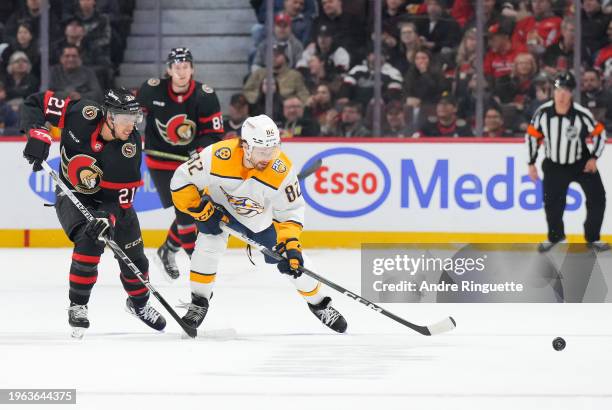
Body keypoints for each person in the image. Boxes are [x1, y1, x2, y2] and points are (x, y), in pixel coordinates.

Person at [169, 114, 348, 333]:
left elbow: (291, 210)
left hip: (257, 219)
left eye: (273, 150)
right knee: (208, 247)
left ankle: (320, 304)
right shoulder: (217, 155)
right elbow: (181, 179)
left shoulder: (281, 169)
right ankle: (199, 302)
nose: (269, 157)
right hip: (217, 209)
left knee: (293, 263)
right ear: (245, 145)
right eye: (262, 151)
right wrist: (198, 208)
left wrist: (290, 243)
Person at [20, 88, 167, 337]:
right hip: (73, 193)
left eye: (134, 120)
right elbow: (35, 102)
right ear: (107, 115)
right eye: (124, 119)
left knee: (136, 260)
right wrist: (38, 131)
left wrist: (106, 217)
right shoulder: (82, 113)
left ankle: (139, 305)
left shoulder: (129, 149)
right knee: (89, 242)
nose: (130, 126)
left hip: (114, 205)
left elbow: (120, 202)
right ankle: (78, 305)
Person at [137, 47, 225, 280]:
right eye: (177, 67)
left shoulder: (205, 96)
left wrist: (197, 150)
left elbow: (214, 134)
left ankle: (168, 250)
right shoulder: (152, 89)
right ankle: (196, 263)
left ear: (192, 69)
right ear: (169, 70)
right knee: (187, 211)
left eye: (185, 66)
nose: (182, 71)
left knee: (192, 209)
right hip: (161, 162)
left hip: (191, 163)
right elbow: (132, 115)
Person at [525, 72, 609, 252]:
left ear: (572, 93)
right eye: (559, 90)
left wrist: (594, 157)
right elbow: (532, 137)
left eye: (566, 90)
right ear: (553, 92)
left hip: (581, 163)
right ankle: (555, 236)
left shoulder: (581, 114)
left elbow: (600, 134)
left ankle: (592, 237)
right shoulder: (543, 114)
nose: (562, 94)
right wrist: (531, 162)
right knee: (552, 203)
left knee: (597, 198)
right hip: (554, 164)